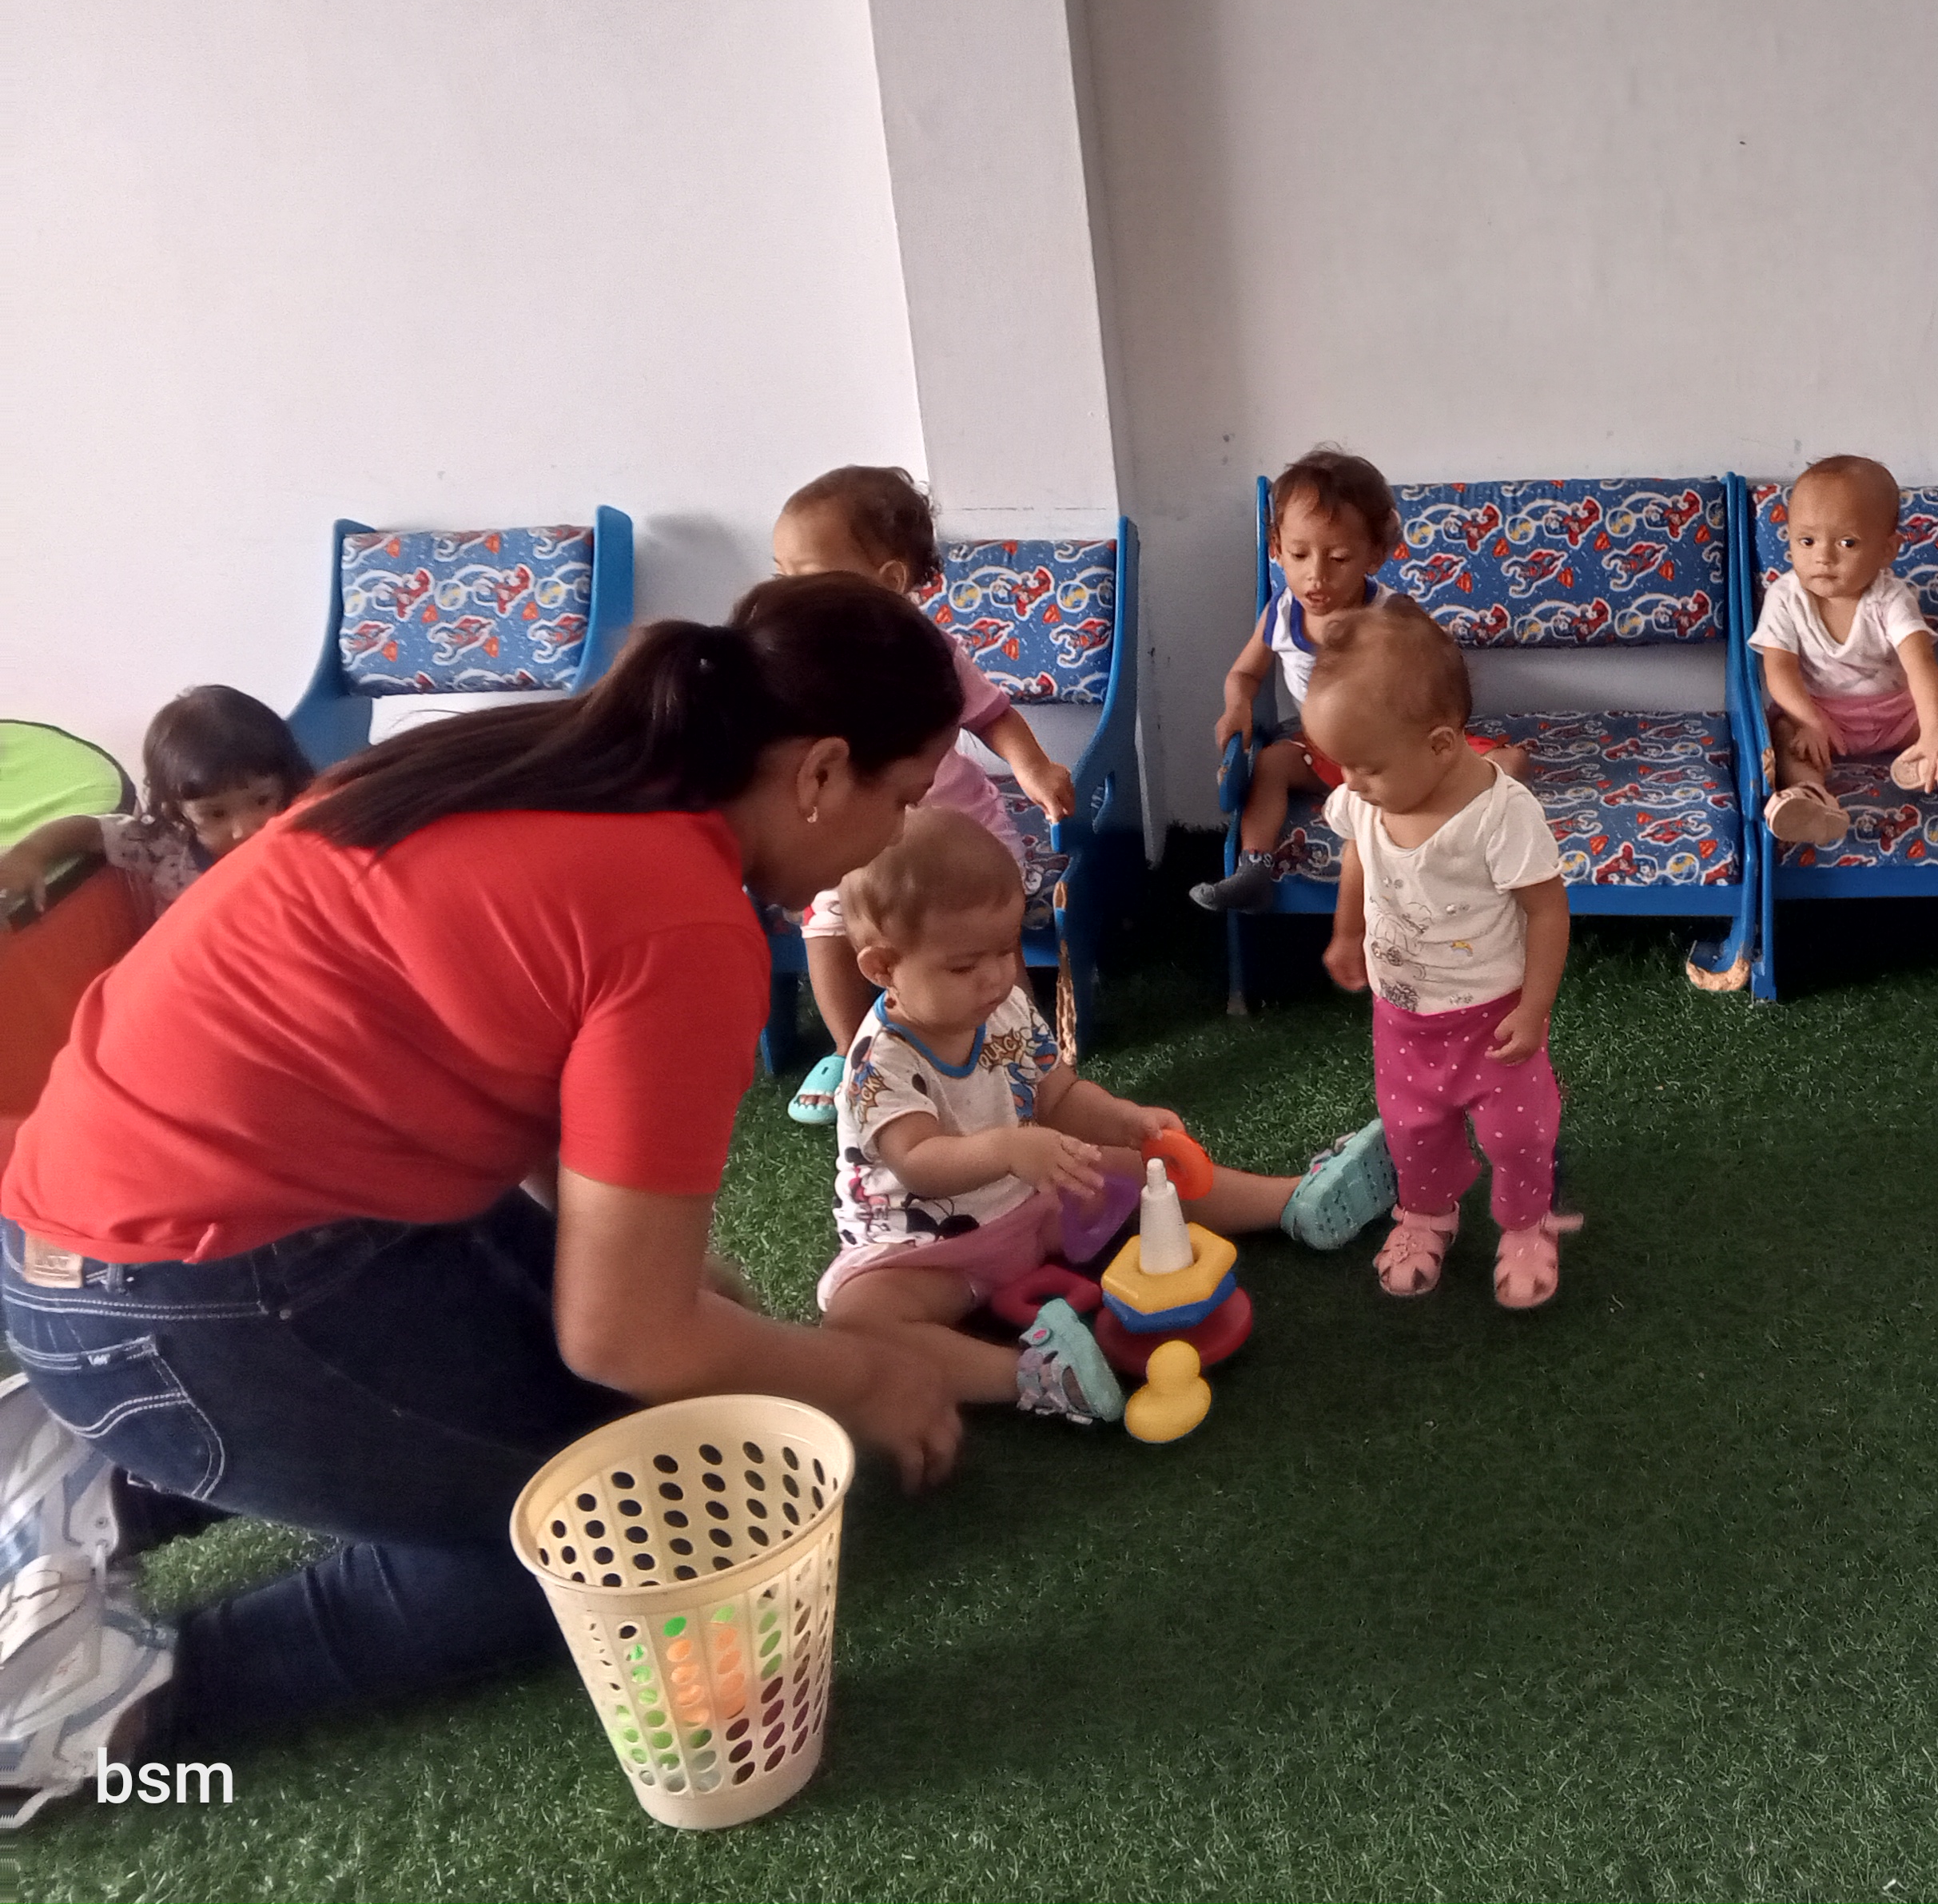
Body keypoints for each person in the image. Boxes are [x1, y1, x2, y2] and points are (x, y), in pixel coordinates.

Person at [0, 574, 969, 1810]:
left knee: (638, 1417)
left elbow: (499, 1063)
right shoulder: (683, 921)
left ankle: (86, 1477)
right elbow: (625, 1335)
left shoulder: (527, 757)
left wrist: (662, 1283)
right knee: (616, 1545)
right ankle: (103, 1698)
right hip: (180, 1296)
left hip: (83, 1238)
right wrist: (868, 1378)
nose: (893, 836)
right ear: (823, 771)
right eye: (902, 798)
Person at [818, 808, 1395, 1420]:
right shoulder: (880, 1061)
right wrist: (1007, 1150)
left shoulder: (1004, 1007)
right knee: (857, 1322)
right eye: (964, 966)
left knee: (1144, 1170)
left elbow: (1059, 1097)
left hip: (1035, 1204)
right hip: (927, 1252)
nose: (994, 978)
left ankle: (1293, 1203)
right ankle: (1031, 1377)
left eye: (1005, 950)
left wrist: (1125, 1120)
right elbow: (917, 1161)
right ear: (883, 967)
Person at [769, 466, 1075, 1124]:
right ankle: (855, 1057)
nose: (790, 592)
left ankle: (1021, 1051)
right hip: (849, 838)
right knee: (827, 927)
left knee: (987, 935)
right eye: (781, 573)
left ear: (887, 581)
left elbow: (990, 714)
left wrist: (1033, 768)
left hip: (950, 828)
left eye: (808, 574)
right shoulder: (791, 660)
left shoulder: (923, 651)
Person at [1311, 602, 1582, 1309]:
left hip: (1493, 1019)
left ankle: (1527, 1223)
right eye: (1344, 765)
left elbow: (1547, 910)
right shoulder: (1369, 799)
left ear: (1439, 745)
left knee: (1517, 1135)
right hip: (1404, 1016)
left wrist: (1535, 1008)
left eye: (1366, 766)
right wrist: (1346, 932)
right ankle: (1427, 1213)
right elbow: (1358, 853)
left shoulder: (1500, 815)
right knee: (1413, 1129)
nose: (1351, 781)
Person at [1195, 445, 1523, 912]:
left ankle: (1468, 824)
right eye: (1299, 554)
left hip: (1397, 749)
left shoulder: (1392, 615)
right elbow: (1246, 673)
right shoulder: (1281, 615)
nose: (1315, 576)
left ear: (1374, 555)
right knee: (1270, 765)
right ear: (1276, 549)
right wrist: (1237, 706)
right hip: (1326, 746)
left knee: (1502, 761)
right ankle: (1254, 868)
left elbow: (1443, 674)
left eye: (1339, 558)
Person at [1747, 455, 1938, 848]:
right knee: (1783, 733)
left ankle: (1922, 763)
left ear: (1887, 550)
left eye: (1847, 543)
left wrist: (1933, 727)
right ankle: (1811, 796)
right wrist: (1810, 721)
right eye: (1807, 541)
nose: (1823, 556)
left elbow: (1920, 664)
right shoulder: (1785, 597)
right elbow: (1779, 670)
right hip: (1823, 718)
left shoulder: (1891, 597)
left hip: (1898, 716)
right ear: (1789, 540)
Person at [0, 686, 312, 928]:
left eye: (262, 800)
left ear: (288, 782)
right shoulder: (165, 845)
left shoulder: (308, 835)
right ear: (176, 809)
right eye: (216, 814)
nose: (244, 830)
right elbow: (91, 830)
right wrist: (31, 851)